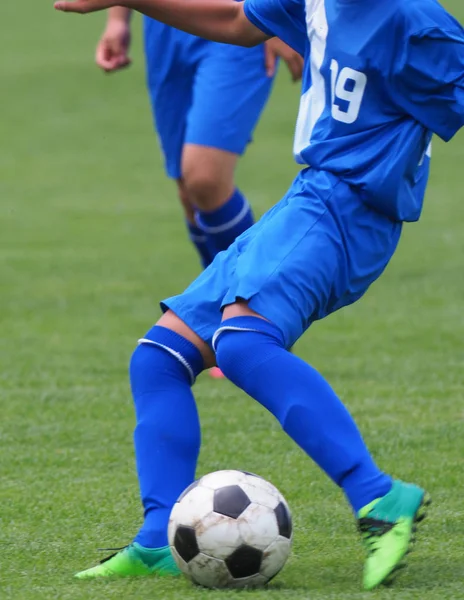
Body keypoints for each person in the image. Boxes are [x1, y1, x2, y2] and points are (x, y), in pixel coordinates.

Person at [55, 0, 464, 590]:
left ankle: (379, 498)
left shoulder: (413, 21)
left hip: (352, 211)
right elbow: (236, 23)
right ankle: (156, 539)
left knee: (243, 344)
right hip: (309, 198)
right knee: (159, 357)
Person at [96, 9, 302, 378]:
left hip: (237, 16)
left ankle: (255, 317)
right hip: (164, 21)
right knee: (189, 191)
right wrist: (118, 20)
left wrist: (271, 17)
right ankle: (222, 322)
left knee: (204, 177)